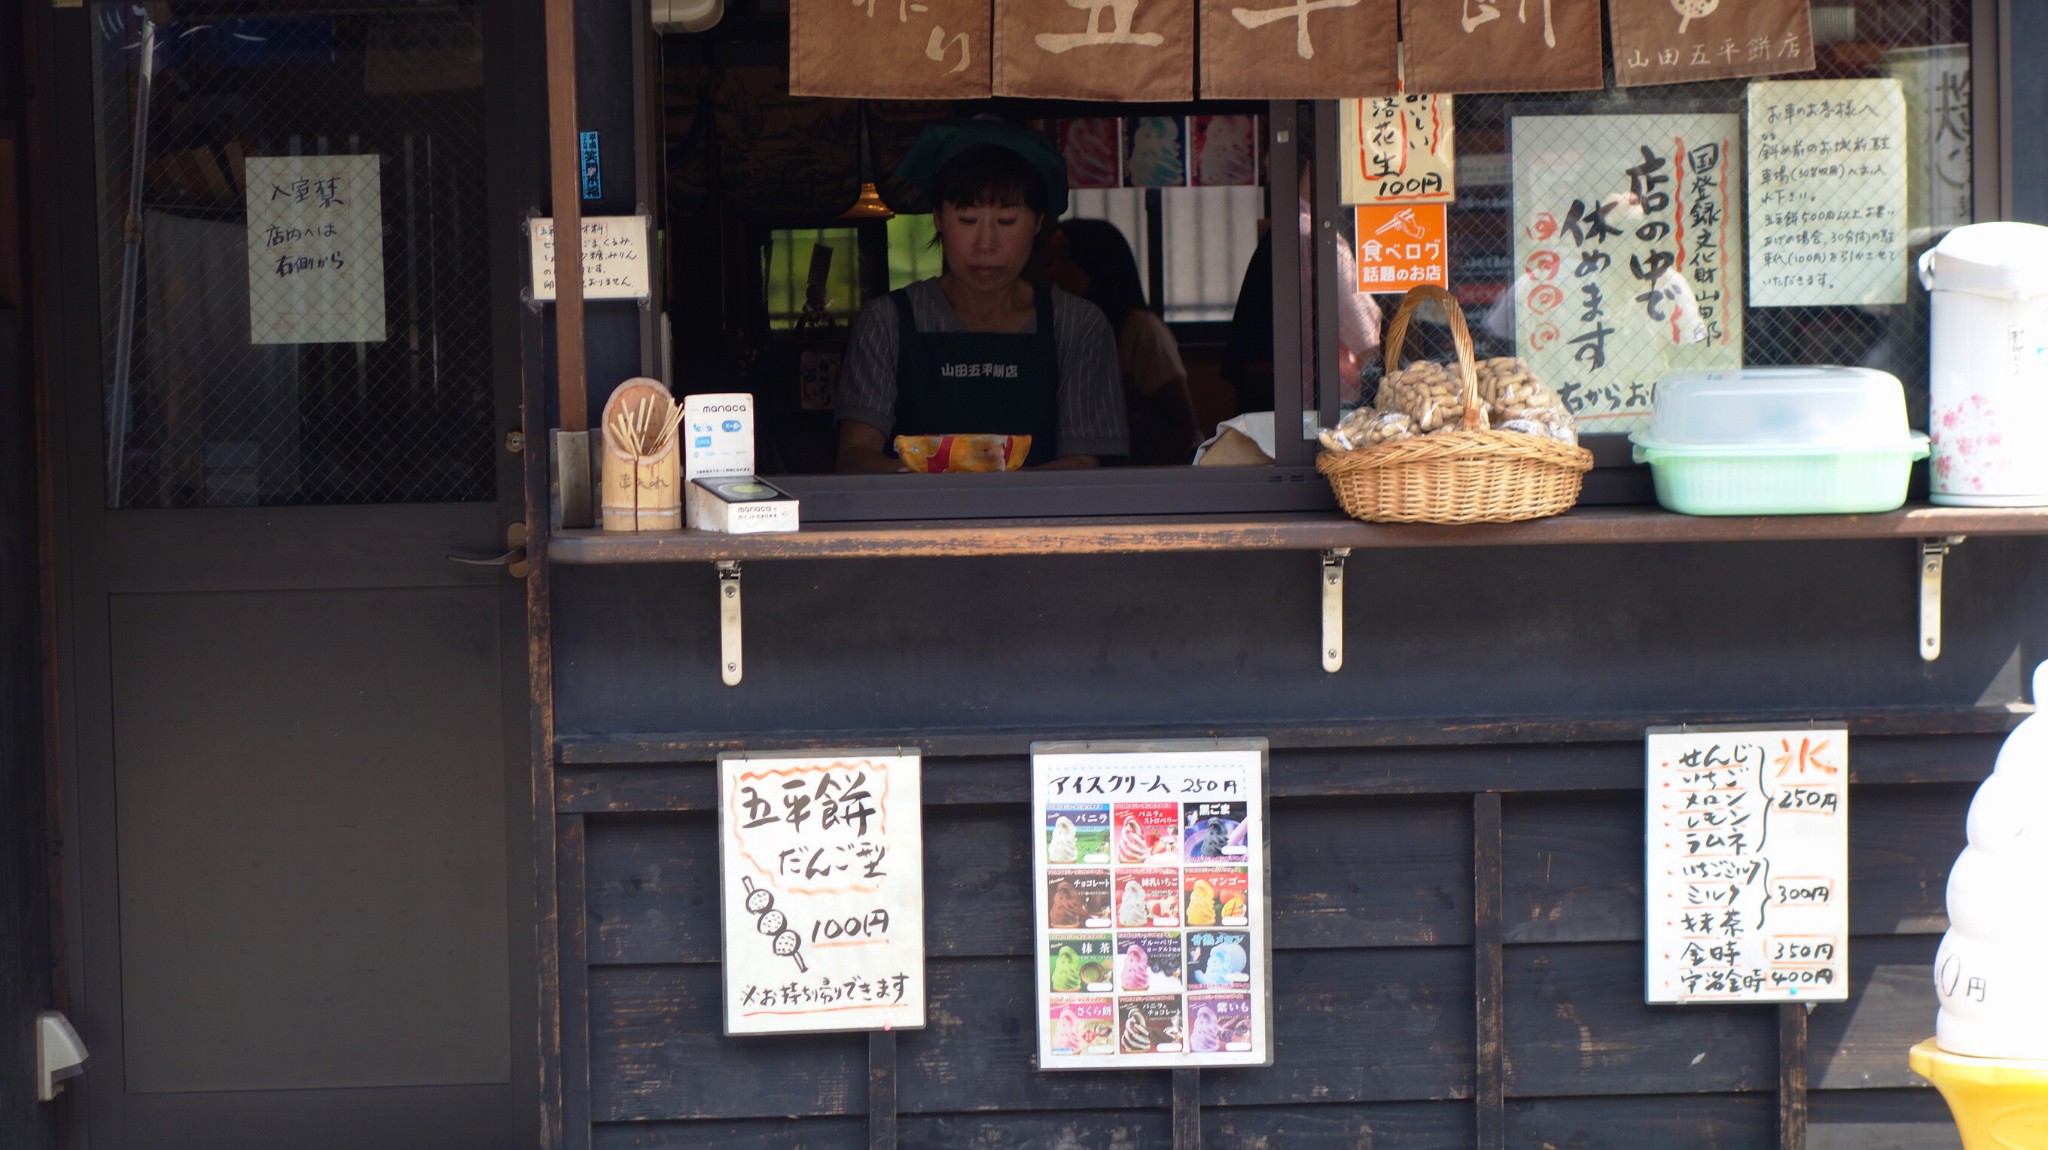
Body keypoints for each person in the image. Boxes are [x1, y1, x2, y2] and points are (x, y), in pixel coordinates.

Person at [835, 120, 1128, 472]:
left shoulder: (1079, 325)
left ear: (1037, 223)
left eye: (1006, 222)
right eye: (967, 220)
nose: (985, 244)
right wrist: (923, 487)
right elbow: (854, 455)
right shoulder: (887, 321)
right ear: (938, 218)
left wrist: (999, 498)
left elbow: (1084, 462)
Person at [1040, 218, 1201, 466]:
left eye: (1065, 260)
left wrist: (1148, 489)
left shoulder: (1140, 331)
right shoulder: (1059, 328)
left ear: (1097, 264)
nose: (1051, 272)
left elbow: (1182, 426)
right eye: (1049, 261)